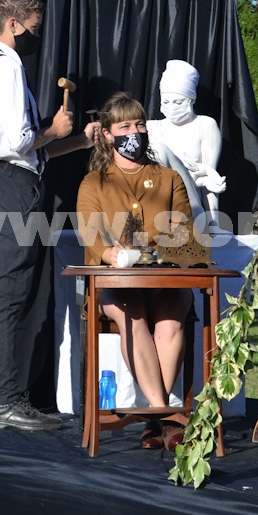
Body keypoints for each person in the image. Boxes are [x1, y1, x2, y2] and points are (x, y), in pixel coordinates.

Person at [0, 0, 98, 432]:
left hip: (6, 182)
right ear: (14, 25)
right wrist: (53, 127)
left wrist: (77, 140)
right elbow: (20, 143)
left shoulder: (0, 67)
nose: (36, 35)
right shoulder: (6, 68)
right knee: (6, 294)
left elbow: (26, 150)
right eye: (33, 28)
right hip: (11, 187)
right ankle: (5, 400)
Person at [76, 91, 193, 451]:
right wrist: (108, 253)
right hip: (115, 285)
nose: (135, 132)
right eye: (125, 125)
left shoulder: (169, 178)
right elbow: (89, 231)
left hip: (163, 280)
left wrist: (156, 250)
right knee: (134, 314)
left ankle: (154, 419)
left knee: (172, 318)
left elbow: (184, 230)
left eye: (140, 124)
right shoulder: (94, 182)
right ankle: (167, 418)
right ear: (108, 134)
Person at [146, 59, 225, 223]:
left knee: (161, 151)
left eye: (178, 102)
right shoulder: (152, 127)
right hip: (152, 204)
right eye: (166, 102)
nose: (172, 107)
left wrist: (213, 223)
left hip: (188, 206)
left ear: (192, 100)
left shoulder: (205, 125)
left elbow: (211, 184)